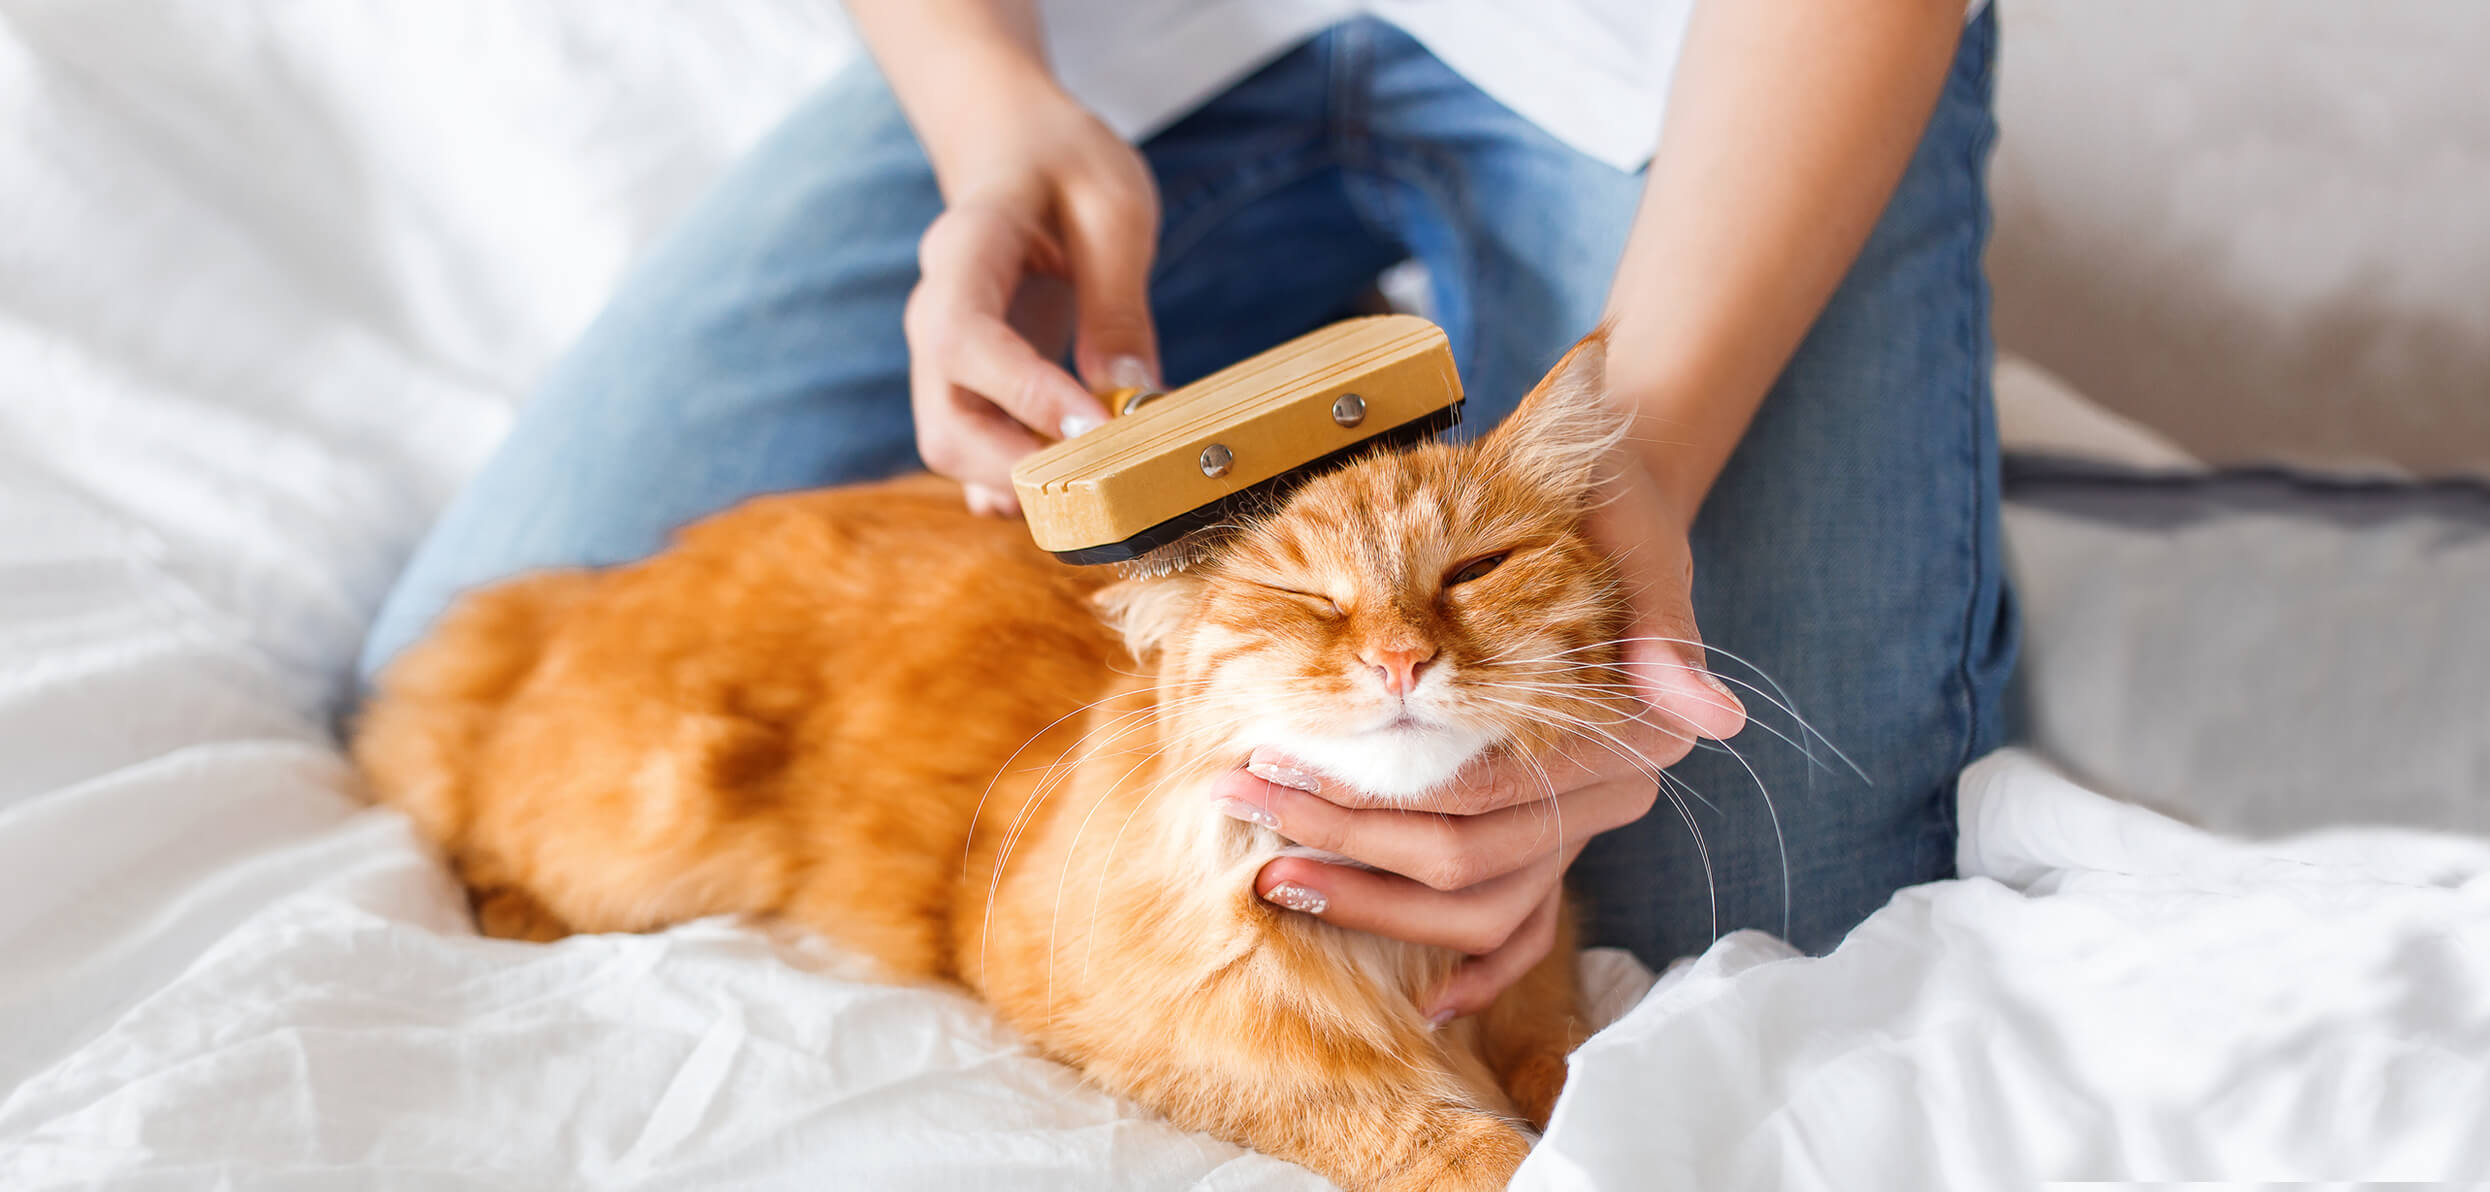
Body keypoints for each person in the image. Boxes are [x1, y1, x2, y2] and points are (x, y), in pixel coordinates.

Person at [360, 0, 2014, 1022]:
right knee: (469, 683)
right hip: (1121, 49)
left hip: (1688, 58)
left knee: (1742, 903)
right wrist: (989, 113)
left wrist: (1640, 449)